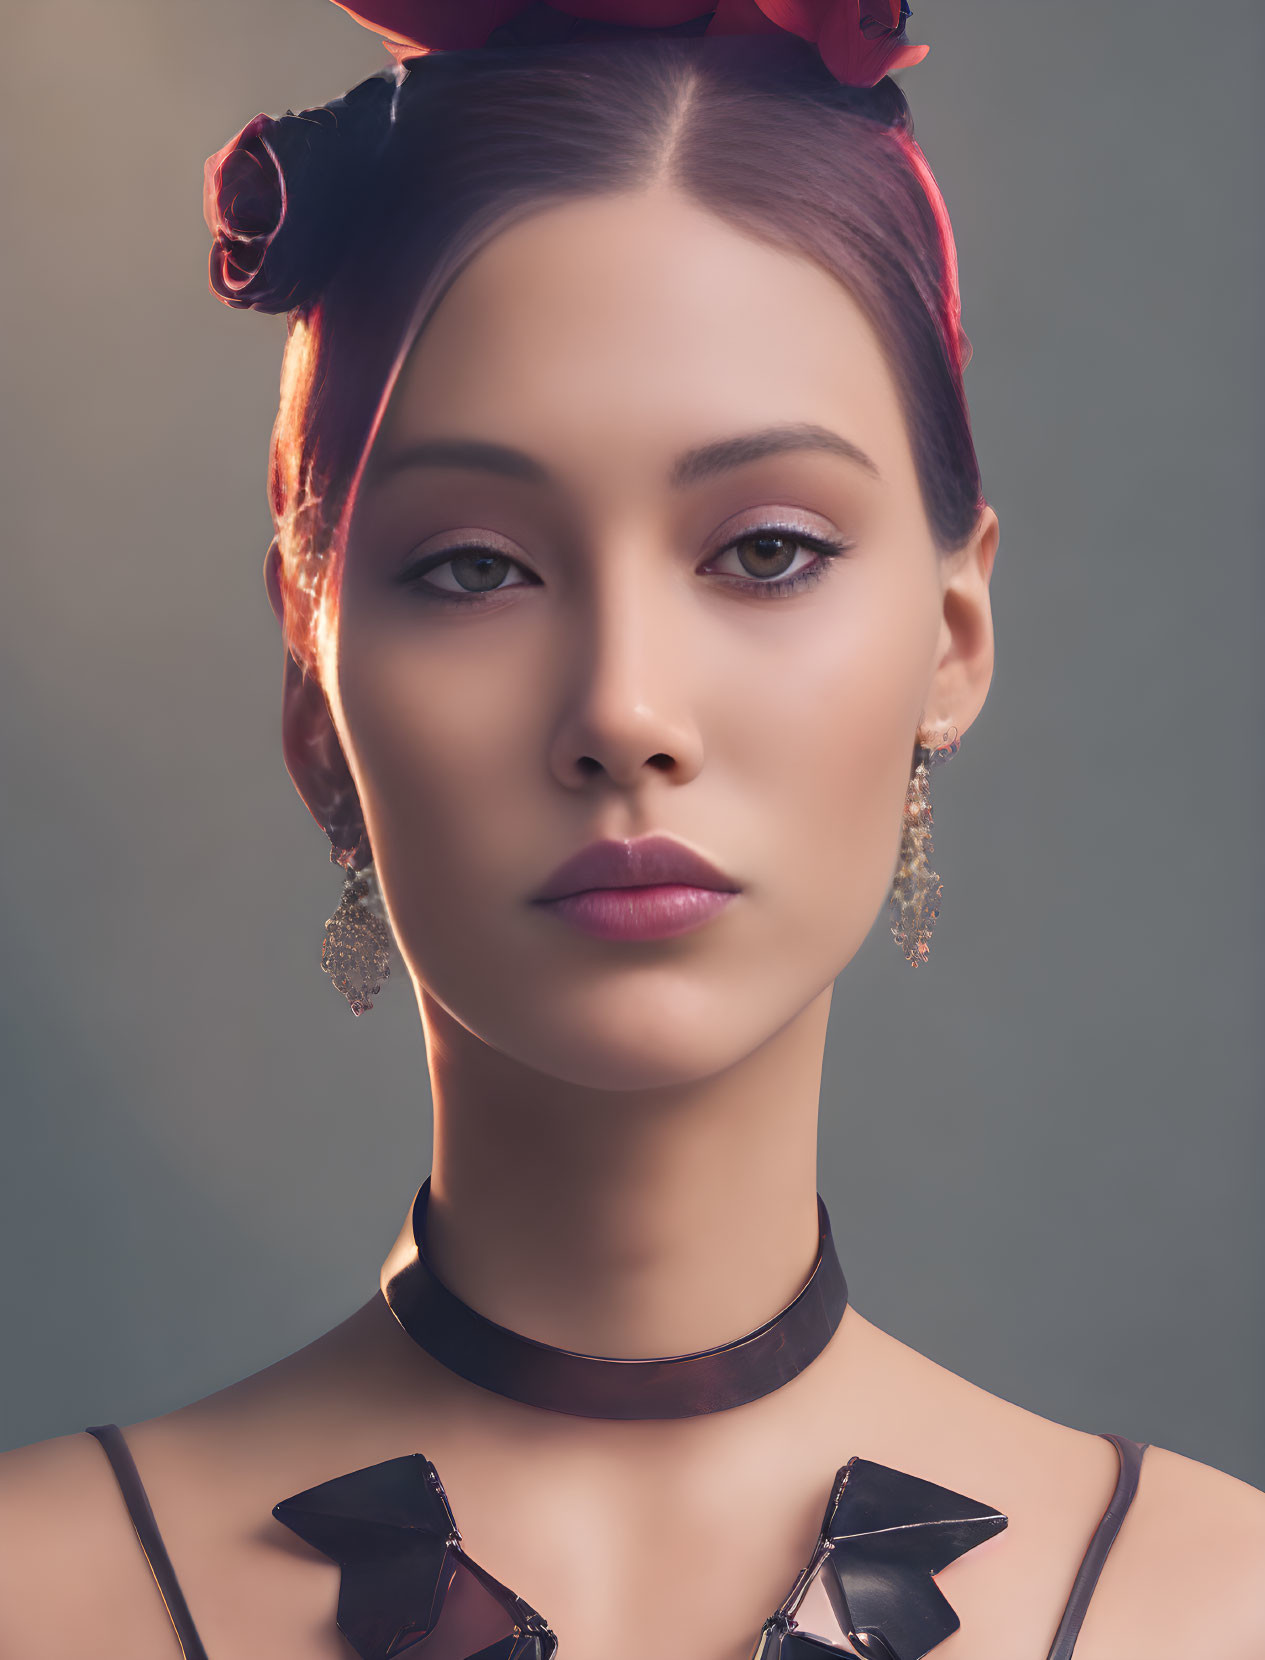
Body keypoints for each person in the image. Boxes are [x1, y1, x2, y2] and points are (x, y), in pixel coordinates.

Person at [1, 4, 1262, 1656]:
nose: (624, 710)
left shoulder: (1213, 1602)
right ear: (313, 689)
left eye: (765, 551)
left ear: (950, 639)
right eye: (474, 566)